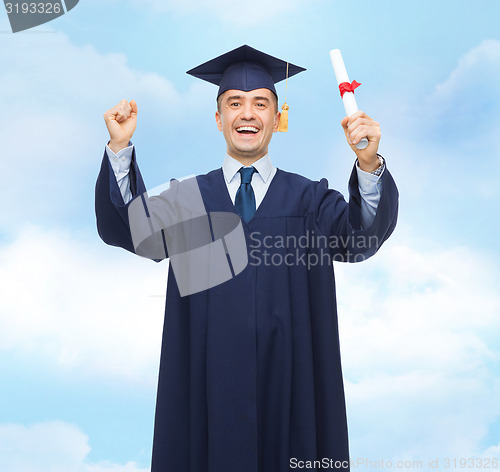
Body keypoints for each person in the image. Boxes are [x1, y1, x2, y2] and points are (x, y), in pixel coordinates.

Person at [95, 45, 398, 472]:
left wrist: (368, 164)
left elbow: (361, 237)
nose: (247, 113)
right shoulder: (190, 201)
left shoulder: (310, 201)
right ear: (218, 119)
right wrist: (120, 149)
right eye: (234, 103)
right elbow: (128, 229)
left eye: (261, 103)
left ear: (278, 117)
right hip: (208, 390)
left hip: (292, 391)